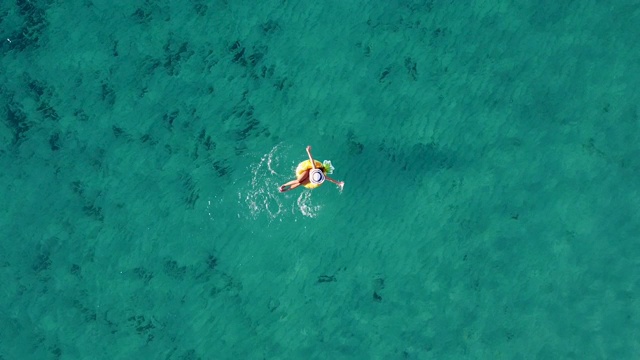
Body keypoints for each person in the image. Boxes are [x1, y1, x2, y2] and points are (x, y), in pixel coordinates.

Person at [279, 146, 344, 193]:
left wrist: (339, 183)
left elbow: (330, 179)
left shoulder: (322, 176)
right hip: (308, 172)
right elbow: (312, 160)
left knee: (300, 184)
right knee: (298, 181)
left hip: (311, 179)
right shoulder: (314, 168)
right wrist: (308, 151)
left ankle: (287, 190)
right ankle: (284, 185)